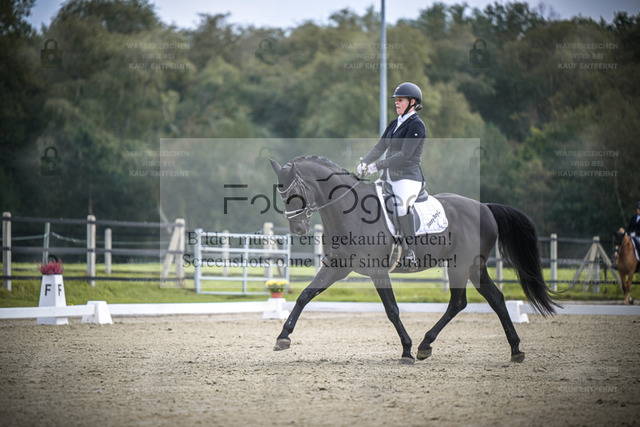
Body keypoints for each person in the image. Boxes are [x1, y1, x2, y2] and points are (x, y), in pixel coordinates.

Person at [357, 82, 427, 267]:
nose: (396, 103)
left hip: (408, 178)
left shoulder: (417, 126)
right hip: (389, 177)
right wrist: (365, 162)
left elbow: (404, 155)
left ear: (413, 102)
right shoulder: (395, 123)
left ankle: (410, 251)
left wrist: (377, 166)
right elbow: (380, 147)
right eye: (396, 100)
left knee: (402, 207)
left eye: (401, 100)